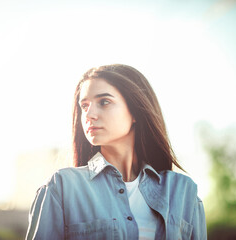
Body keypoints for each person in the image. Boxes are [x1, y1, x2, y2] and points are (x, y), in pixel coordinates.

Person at [25, 64, 207, 239]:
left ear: (135, 111)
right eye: (84, 106)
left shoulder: (184, 193)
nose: (89, 115)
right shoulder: (61, 187)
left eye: (104, 102)